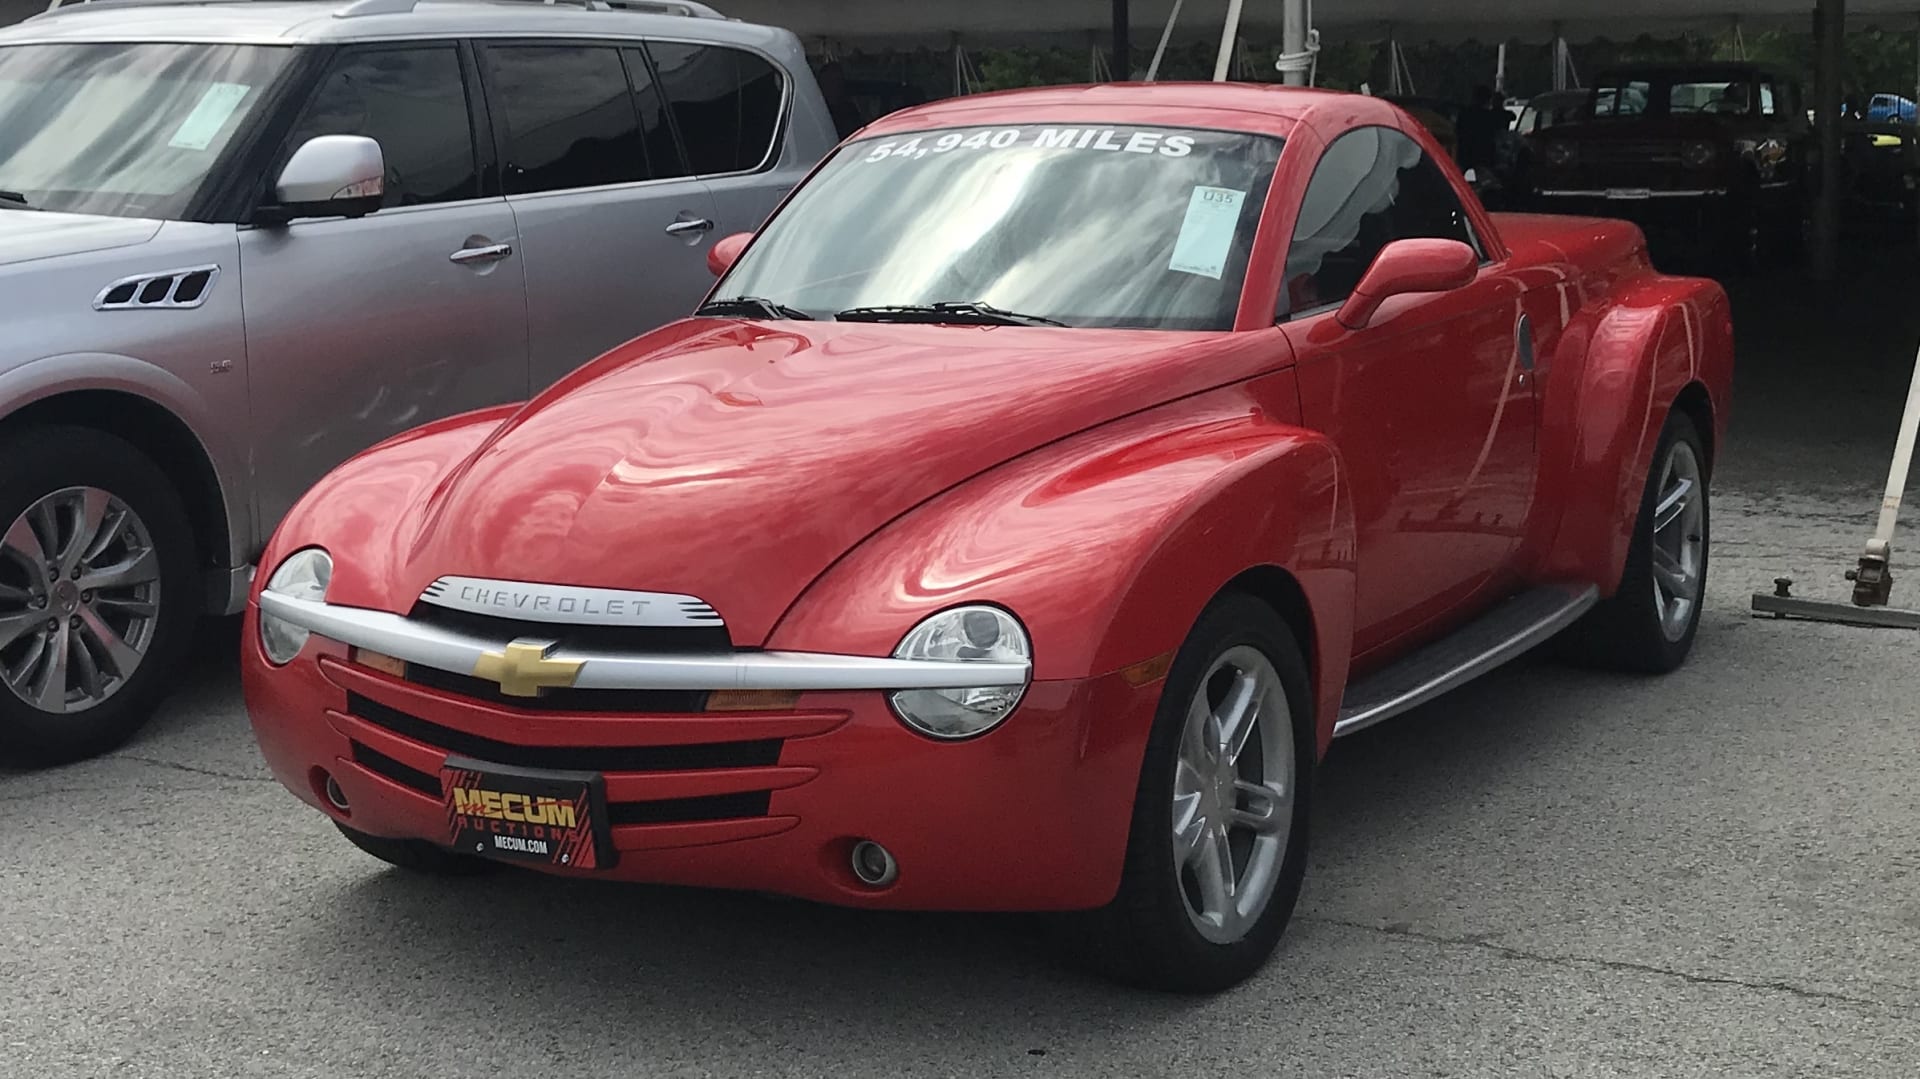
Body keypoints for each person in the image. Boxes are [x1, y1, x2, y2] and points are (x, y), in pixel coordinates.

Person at [1455, 84, 1508, 177]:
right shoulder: (1490, 117)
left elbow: (1458, 131)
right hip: (1484, 156)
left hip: (1465, 154)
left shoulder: (1465, 114)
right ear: (1488, 100)